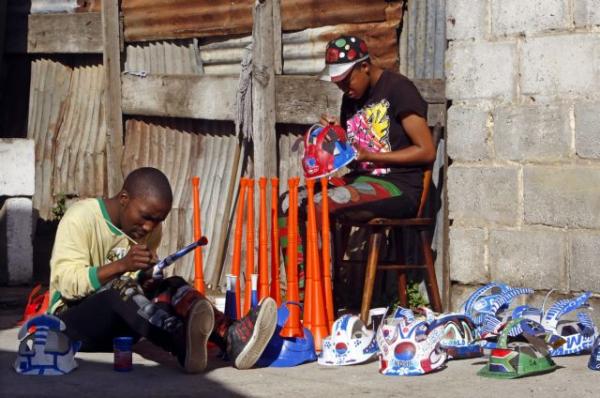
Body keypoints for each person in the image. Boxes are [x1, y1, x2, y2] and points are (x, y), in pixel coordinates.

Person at [48, 167, 277, 373]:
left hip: (124, 326)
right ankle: (180, 341)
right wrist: (122, 266)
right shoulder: (80, 218)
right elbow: (67, 284)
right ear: (124, 199)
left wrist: (146, 277)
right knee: (120, 290)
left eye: (157, 221)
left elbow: (138, 290)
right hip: (69, 326)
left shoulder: (150, 230)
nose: (149, 227)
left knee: (171, 285)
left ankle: (231, 336)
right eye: (145, 217)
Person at [279, 35, 435, 307]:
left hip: (398, 186)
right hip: (362, 179)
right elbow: (353, 152)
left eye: (346, 79)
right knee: (289, 203)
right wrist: (334, 135)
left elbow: (426, 151)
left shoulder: (399, 90)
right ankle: (303, 292)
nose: (342, 87)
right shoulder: (351, 99)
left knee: (321, 204)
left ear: (364, 66)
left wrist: (371, 156)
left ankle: (321, 297)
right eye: (337, 82)